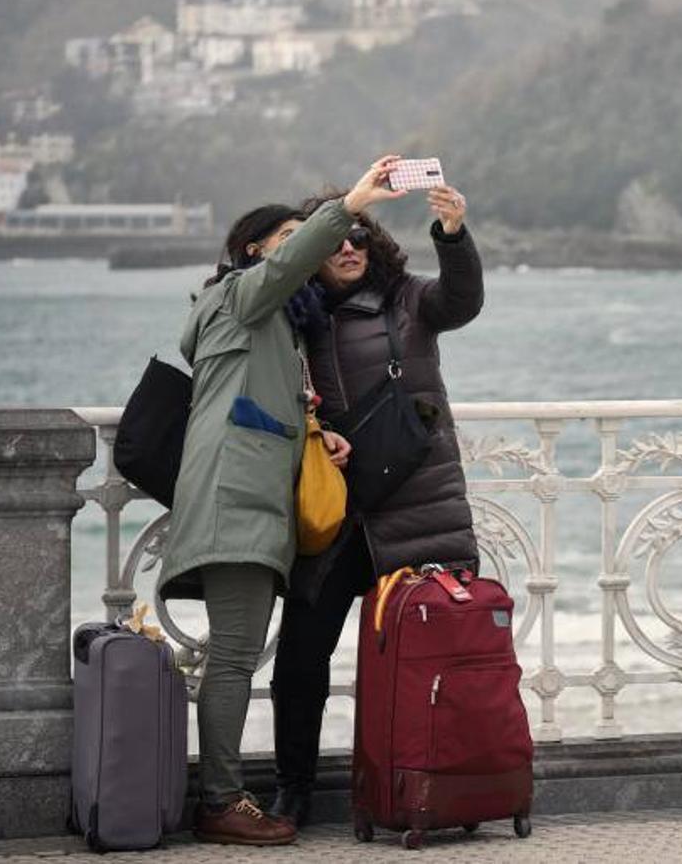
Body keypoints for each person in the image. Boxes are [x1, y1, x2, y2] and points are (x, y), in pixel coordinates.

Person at [156, 155, 405, 846]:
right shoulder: (240, 298)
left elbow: (260, 408)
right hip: (234, 503)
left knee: (236, 654)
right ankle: (223, 801)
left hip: (255, 502)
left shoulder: (273, 326)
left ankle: (224, 795)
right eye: (291, 236)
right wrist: (349, 205)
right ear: (254, 251)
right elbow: (289, 267)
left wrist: (314, 438)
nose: (311, 246)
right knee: (235, 657)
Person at [267, 173, 484, 826]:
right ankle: (294, 791)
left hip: (421, 514)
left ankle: (448, 790)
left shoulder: (410, 302)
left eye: (361, 235)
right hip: (335, 520)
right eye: (336, 237)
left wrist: (452, 234)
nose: (350, 246)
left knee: (440, 663)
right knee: (301, 661)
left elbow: (463, 299)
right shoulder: (286, 322)